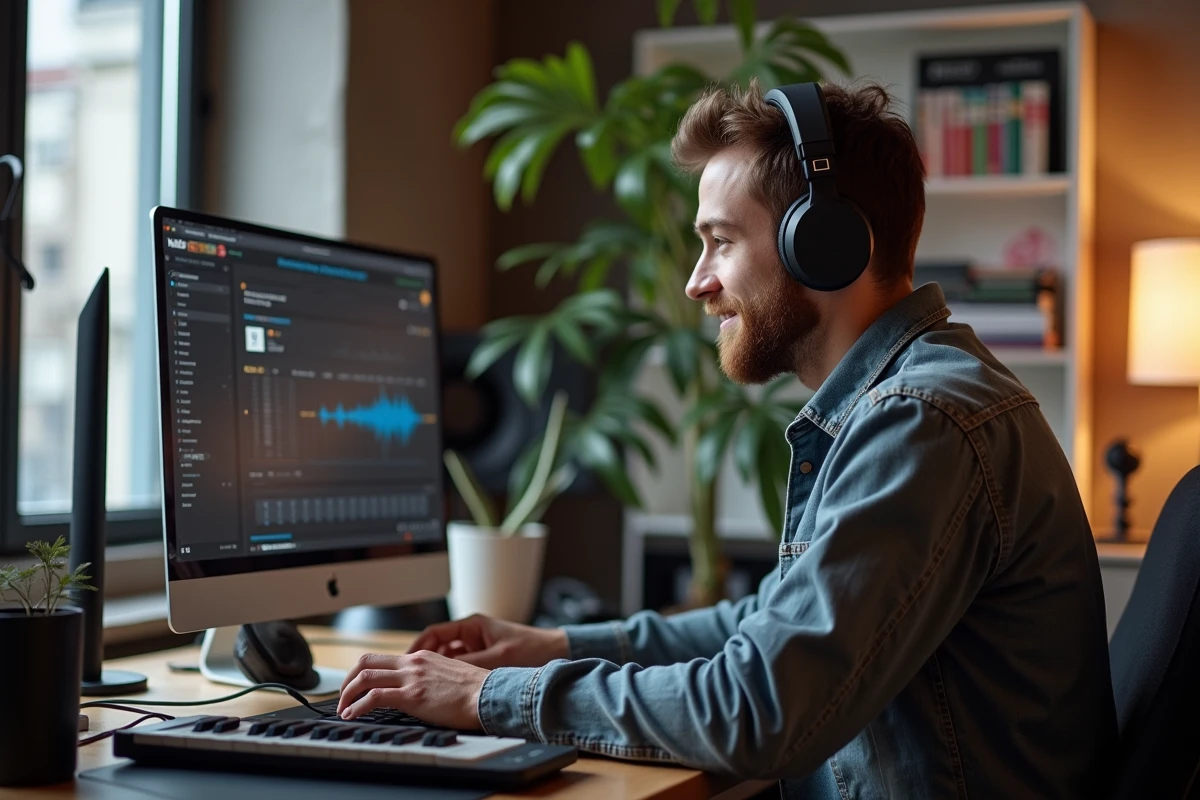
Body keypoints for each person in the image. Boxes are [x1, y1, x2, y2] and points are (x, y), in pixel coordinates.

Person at [336, 80, 1118, 798]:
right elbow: (767, 628)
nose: (696, 281)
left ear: (827, 245)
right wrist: (551, 643)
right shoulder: (915, 399)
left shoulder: (922, 421)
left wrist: (485, 697)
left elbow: (757, 710)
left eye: (721, 241)